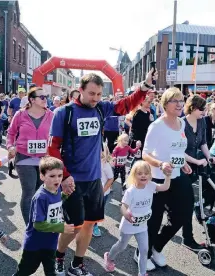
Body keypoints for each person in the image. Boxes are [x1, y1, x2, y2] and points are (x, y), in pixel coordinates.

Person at [48, 69, 157, 276]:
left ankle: (77, 264)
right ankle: (59, 257)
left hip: (94, 179)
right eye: (91, 94)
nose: (96, 98)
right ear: (80, 90)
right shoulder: (64, 113)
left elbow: (125, 105)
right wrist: (64, 176)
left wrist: (144, 86)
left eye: (99, 94)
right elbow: (53, 149)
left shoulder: (100, 109)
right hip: (72, 181)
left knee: (89, 224)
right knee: (73, 227)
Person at [140, 87, 193, 271]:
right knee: (153, 221)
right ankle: (143, 254)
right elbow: (145, 154)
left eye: (181, 100)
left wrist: (182, 163)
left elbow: (178, 149)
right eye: (175, 101)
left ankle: (157, 247)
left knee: (183, 215)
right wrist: (160, 164)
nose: (180, 104)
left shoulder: (182, 123)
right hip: (157, 179)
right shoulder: (156, 126)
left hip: (177, 176)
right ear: (165, 105)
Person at [104, 161, 171, 276]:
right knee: (122, 245)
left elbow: (165, 187)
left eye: (146, 173)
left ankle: (142, 273)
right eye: (140, 173)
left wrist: (168, 176)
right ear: (134, 175)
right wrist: (126, 214)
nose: (143, 175)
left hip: (142, 226)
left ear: (150, 175)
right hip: (129, 225)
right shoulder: (131, 191)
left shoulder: (150, 186)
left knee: (144, 250)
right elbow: (123, 206)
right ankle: (109, 258)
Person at [13, 157, 75, 276]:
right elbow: (38, 224)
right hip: (35, 244)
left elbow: (55, 202)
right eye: (52, 176)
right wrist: (61, 228)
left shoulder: (57, 190)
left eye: (59, 175)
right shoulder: (40, 197)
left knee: (50, 271)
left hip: (51, 242)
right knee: (25, 271)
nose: (57, 179)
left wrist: (64, 195)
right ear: (42, 176)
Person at [7, 87, 54, 225]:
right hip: (24, 158)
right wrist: (10, 146)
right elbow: (10, 133)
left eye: (46, 96)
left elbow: (57, 136)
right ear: (32, 100)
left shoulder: (51, 115)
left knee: (41, 192)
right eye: (42, 97)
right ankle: (30, 227)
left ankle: (39, 221)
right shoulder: (20, 115)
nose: (46, 99)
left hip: (44, 160)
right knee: (29, 191)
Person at [181, 95, 215, 251]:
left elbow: (203, 143)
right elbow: (178, 150)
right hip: (182, 167)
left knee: (191, 202)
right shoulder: (181, 123)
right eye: (202, 109)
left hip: (196, 166)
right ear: (193, 108)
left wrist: (209, 157)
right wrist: (196, 161)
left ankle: (188, 237)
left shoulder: (201, 122)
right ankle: (187, 238)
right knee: (186, 204)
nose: (204, 111)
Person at [92, 144, 114, 237]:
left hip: (102, 194)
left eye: (100, 150)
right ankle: (89, 225)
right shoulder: (90, 162)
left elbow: (111, 178)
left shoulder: (104, 164)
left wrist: (102, 191)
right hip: (91, 193)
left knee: (97, 211)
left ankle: (95, 226)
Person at [129, 96, 154, 160]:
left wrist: (151, 121)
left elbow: (149, 128)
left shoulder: (149, 114)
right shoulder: (138, 113)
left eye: (150, 102)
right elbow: (134, 129)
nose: (149, 104)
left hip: (146, 140)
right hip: (139, 141)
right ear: (142, 102)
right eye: (148, 102)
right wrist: (136, 140)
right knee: (137, 160)